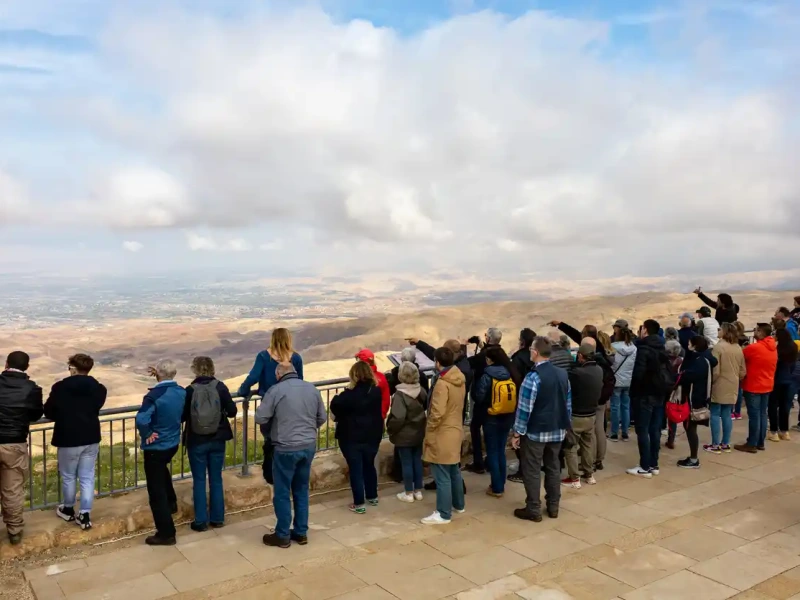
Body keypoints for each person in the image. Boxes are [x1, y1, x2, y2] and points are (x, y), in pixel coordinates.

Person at [256, 363, 326, 547]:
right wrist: (307, 430)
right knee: (301, 490)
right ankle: (301, 532)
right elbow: (322, 417)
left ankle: (282, 534)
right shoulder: (311, 389)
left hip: (285, 447)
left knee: (282, 492)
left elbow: (260, 418)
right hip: (308, 446)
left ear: (278, 375)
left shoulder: (275, 390)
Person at [511, 337, 572, 522]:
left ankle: (533, 508)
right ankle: (553, 506)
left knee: (532, 470)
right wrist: (565, 426)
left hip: (536, 432)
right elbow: (568, 405)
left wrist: (517, 433)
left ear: (535, 352)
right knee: (553, 468)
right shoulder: (562, 374)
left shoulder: (532, 377)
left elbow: (524, 410)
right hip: (558, 430)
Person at [44, 353, 107, 530]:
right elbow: (96, 406)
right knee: (87, 476)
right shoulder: (99, 388)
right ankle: (84, 514)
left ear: (72, 368)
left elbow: (49, 411)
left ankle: (68, 509)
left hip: (68, 438)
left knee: (69, 476)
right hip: (91, 437)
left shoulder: (60, 387)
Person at [238, 328, 304, 485]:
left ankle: (273, 475)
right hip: (290, 406)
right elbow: (299, 381)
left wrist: (243, 391)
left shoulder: (263, 356)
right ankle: (288, 473)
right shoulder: (296, 358)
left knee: (270, 439)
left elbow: (253, 377)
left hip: (269, 406)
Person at [182, 357, 237, 532]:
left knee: (199, 480)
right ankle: (218, 518)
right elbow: (232, 411)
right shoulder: (220, 387)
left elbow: (182, 416)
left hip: (196, 440)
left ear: (195, 370)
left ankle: (200, 521)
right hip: (218, 439)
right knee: (216, 479)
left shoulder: (190, 390)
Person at [135, 359, 185, 546]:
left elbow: (141, 419)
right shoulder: (181, 391)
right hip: (173, 443)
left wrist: (147, 433)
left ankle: (166, 533)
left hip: (156, 446)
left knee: (156, 492)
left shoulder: (154, 396)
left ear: (158, 375)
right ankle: (171, 503)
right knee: (162, 471)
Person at [0, 351, 43, 545]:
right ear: (27, 367)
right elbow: (35, 414)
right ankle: (14, 530)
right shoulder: (32, 388)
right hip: (15, 444)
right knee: (12, 489)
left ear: (6, 364)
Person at [330, 362, 384, 514]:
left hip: (351, 437)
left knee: (356, 469)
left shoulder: (348, 396)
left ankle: (359, 503)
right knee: (369, 465)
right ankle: (372, 496)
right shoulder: (376, 391)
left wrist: (343, 392)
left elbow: (335, 406)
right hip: (372, 435)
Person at [421, 347, 467, 525]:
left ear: (437, 362)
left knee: (441, 475)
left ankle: (443, 513)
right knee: (454, 470)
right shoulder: (459, 378)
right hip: (455, 428)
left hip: (442, 432)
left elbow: (437, 413)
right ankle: (459, 504)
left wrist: (430, 430)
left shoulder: (442, 383)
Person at [473, 346, 521, 497]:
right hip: (508, 416)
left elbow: (479, 396)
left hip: (491, 416)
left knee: (492, 452)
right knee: (500, 450)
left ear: (489, 360)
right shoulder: (511, 373)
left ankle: (497, 487)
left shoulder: (487, 375)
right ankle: (501, 482)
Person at [627, 320, 671, 478]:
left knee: (643, 430)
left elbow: (638, 375)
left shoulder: (643, 349)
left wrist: (634, 393)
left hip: (645, 395)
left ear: (645, 330)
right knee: (655, 429)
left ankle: (644, 466)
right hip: (659, 393)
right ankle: (654, 464)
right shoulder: (662, 347)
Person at [562, 343, 602, 489]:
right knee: (587, 445)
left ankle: (574, 478)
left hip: (577, 415)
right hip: (591, 415)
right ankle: (589, 474)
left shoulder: (576, 373)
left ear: (580, 356)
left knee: (570, 447)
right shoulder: (599, 370)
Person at [464, 327, 504, 474]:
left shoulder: (483, 356)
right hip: (499, 399)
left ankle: (479, 463)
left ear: (488, 338)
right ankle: (490, 462)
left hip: (483, 401)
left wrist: (462, 347)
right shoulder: (501, 354)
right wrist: (480, 344)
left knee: (476, 428)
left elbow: (466, 363)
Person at [386, 362, 427, 503]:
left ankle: (408, 492)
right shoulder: (421, 391)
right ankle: (418, 490)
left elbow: (398, 417)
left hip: (404, 435)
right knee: (417, 460)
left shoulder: (400, 395)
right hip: (418, 432)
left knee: (406, 463)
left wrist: (390, 428)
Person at [735, 324, 778, 454]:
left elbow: (739, 356)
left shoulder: (755, 348)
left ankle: (752, 443)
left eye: (756, 330)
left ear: (760, 332)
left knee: (754, 416)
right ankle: (760, 442)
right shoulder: (773, 347)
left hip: (753, 385)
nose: (754, 331)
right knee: (762, 414)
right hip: (767, 384)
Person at [676, 336, 717, 468]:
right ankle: (693, 458)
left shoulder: (700, 361)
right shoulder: (703, 359)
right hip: (698, 397)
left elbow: (688, 377)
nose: (687, 345)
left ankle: (694, 459)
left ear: (695, 346)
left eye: (689, 343)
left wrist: (681, 374)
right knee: (690, 428)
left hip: (695, 399)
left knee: (690, 428)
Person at [705, 324, 745, 454]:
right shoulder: (737, 347)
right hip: (733, 383)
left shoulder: (718, 347)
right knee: (727, 414)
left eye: (720, 329)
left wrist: (711, 382)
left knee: (715, 413)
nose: (718, 330)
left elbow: (716, 370)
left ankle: (715, 444)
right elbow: (742, 370)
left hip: (720, 383)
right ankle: (725, 443)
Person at [768, 329, 798, 442]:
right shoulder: (793, 347)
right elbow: (793, 365)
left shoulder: (778, 350)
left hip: (777, 380)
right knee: (785, 406)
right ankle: (784, 431)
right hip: (788, 380)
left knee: (773, 405)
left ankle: (773, 431)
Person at [609, 327, 637, 442]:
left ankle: (614, 433)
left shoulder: (613, 347)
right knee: (626, 407)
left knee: (615, 407)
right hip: (628, 381)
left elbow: (612, 363)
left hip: (616, 380)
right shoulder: (634, 348)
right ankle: (625, 433)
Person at [354, 349, 391, 419]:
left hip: (361, 420)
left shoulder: (359, 378)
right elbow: (386, 400)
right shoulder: (381, 377)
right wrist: (381, 415)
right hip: (377, 419)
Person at [664, 340, 684, 449]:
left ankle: (656, 437)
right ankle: (671, 439)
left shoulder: (663, 360)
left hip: (663, 388)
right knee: (672, 415)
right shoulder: (681, 361)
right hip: (675, 390)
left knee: (660, 413)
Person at [733, 321, 750, 420]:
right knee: (739, 390)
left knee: (734, 390)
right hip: (743, 365)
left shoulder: (734, 340)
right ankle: (737, 412)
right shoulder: (745, 339)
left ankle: (732, 411)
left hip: (735, 365)